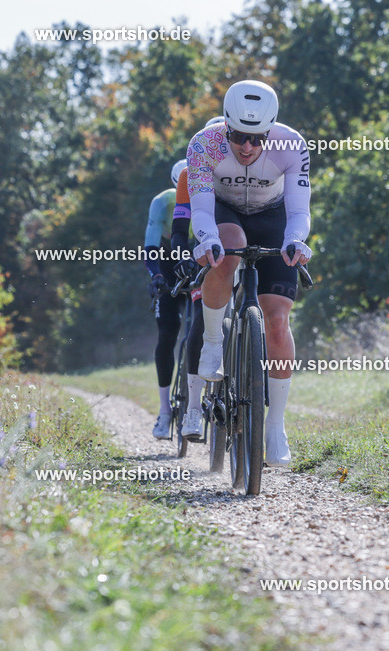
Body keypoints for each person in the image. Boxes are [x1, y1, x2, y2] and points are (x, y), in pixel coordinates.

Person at [186, 81, 312, 467]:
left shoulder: (291, 145)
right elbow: (202, 211)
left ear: (270, 131)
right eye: (238, 136)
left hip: (273, 218)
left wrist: (294, 241)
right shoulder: (203, 144)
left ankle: (275, 425)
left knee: (277, 322)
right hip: (223, 214)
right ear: (225, 126)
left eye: (257, 138)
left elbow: (299, 211)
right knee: (229, 245)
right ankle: (212, 341)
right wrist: (207, 239)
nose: (246, 147)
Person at [170, 116, 226, 440]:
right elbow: (179, 230)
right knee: (200, 325)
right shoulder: (190, 175)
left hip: (237, 249)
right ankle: (193, 409)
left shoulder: (249, 174)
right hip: (205, 251)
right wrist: (181, 259)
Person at [144, 159, 188, 439]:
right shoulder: (162, 202)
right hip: (169, 262)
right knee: (167, 333)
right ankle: (164, 410)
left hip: (196, 256)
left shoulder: (209, 196)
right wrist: (156, 275)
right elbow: (150, 244)